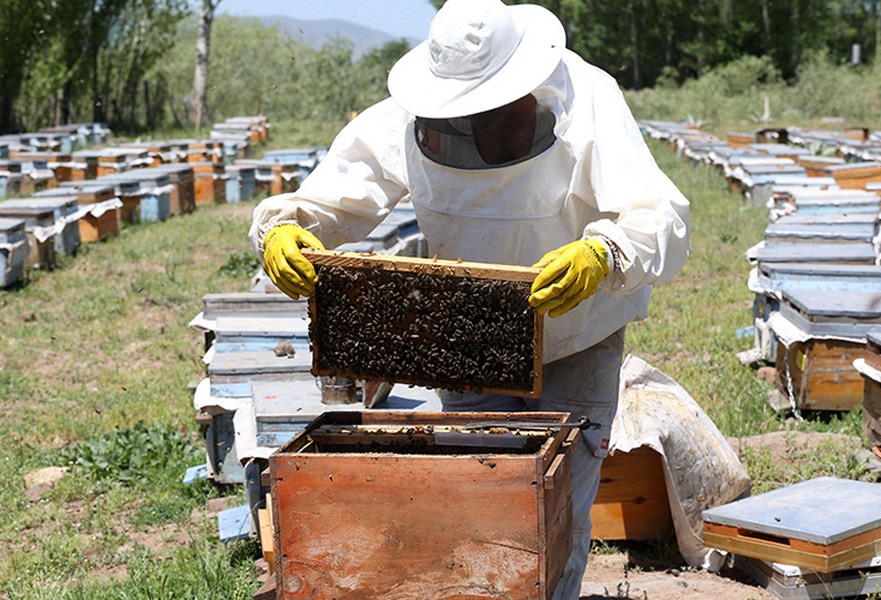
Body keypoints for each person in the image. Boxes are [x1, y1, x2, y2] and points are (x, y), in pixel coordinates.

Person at [249, 0, 689, 597]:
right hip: (467, 337)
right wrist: (284, 225)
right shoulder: (411, 114)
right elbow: (335, 194)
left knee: (558, 507)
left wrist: (604, 252)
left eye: (491, 110)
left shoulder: (587, 98)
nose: (473, 127)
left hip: (576, 333)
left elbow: (657, 215)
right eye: (461, 114)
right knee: (474, 504)